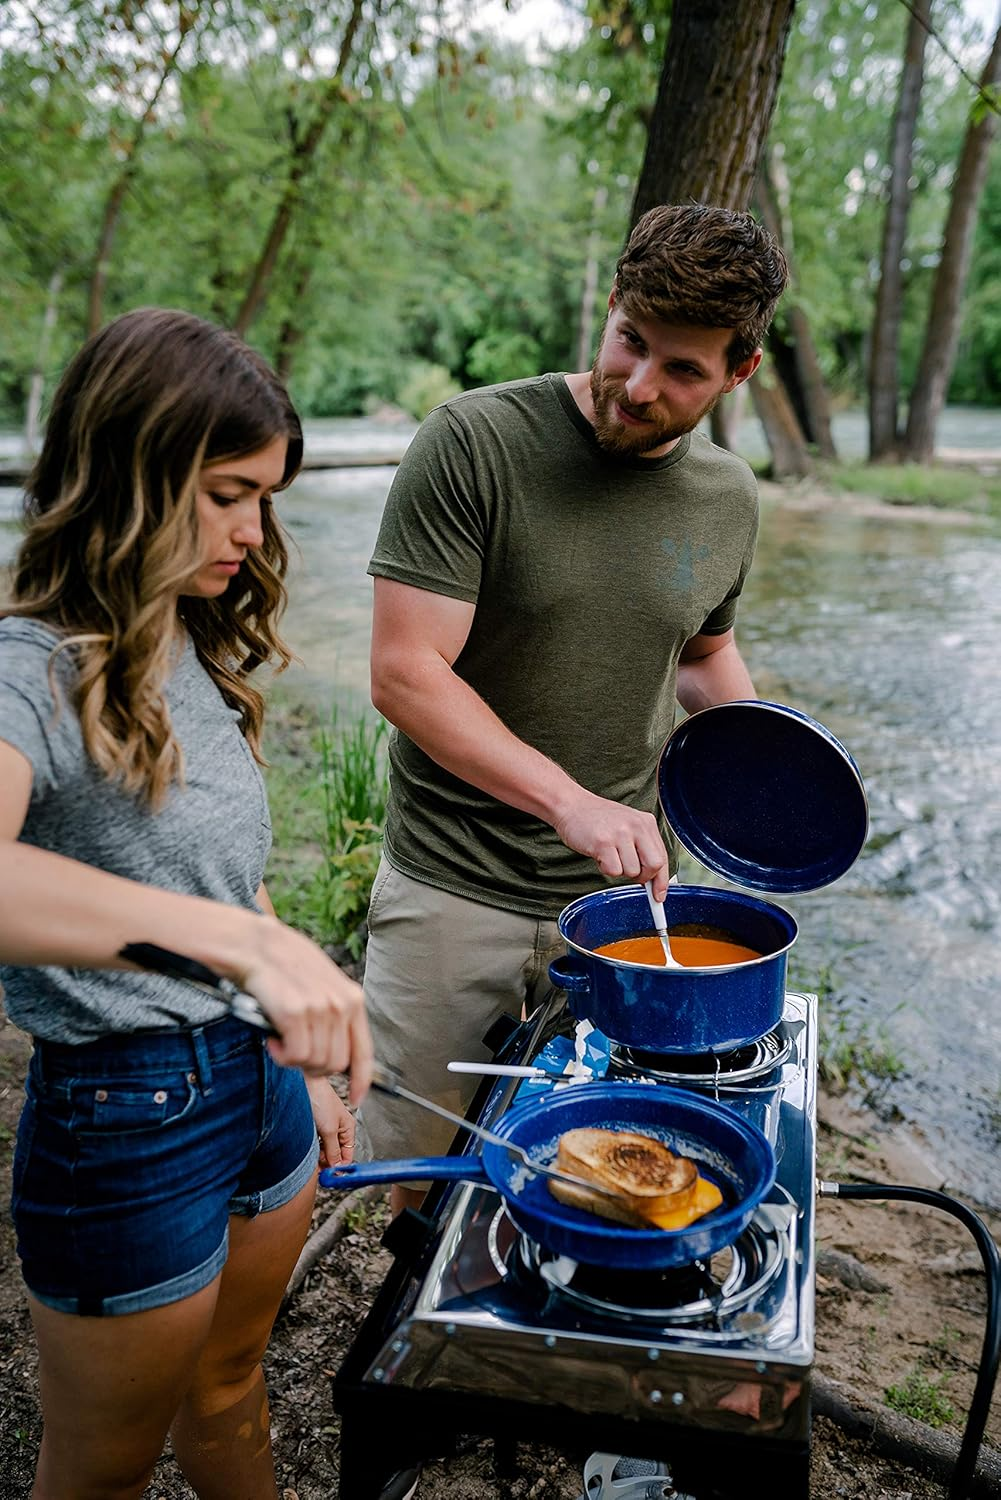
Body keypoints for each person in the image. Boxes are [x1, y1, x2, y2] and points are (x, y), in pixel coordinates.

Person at [0, 307, 373, 1500]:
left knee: (231, 1386)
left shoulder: (183, 641)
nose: (252, 531)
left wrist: (303, 1055)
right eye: (225, 493)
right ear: (129, 471)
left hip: (259, 1089)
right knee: (102, 1469)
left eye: (264, 496)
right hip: (124, 1123)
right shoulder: (29, 664)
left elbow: (220, 877)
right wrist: (248, 945)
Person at [359, 202, 789, 1215]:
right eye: (629, 341)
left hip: (624, 909)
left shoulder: (727, 496)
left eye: (681, 370)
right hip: (454, 885)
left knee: (597, 1168)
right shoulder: (473, 443)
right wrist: (570, 802)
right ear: (609, 305)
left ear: (739, 374)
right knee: (421, 1172)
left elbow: (703, 658)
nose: (636, 386)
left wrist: (767, 771)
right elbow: (405, 672)